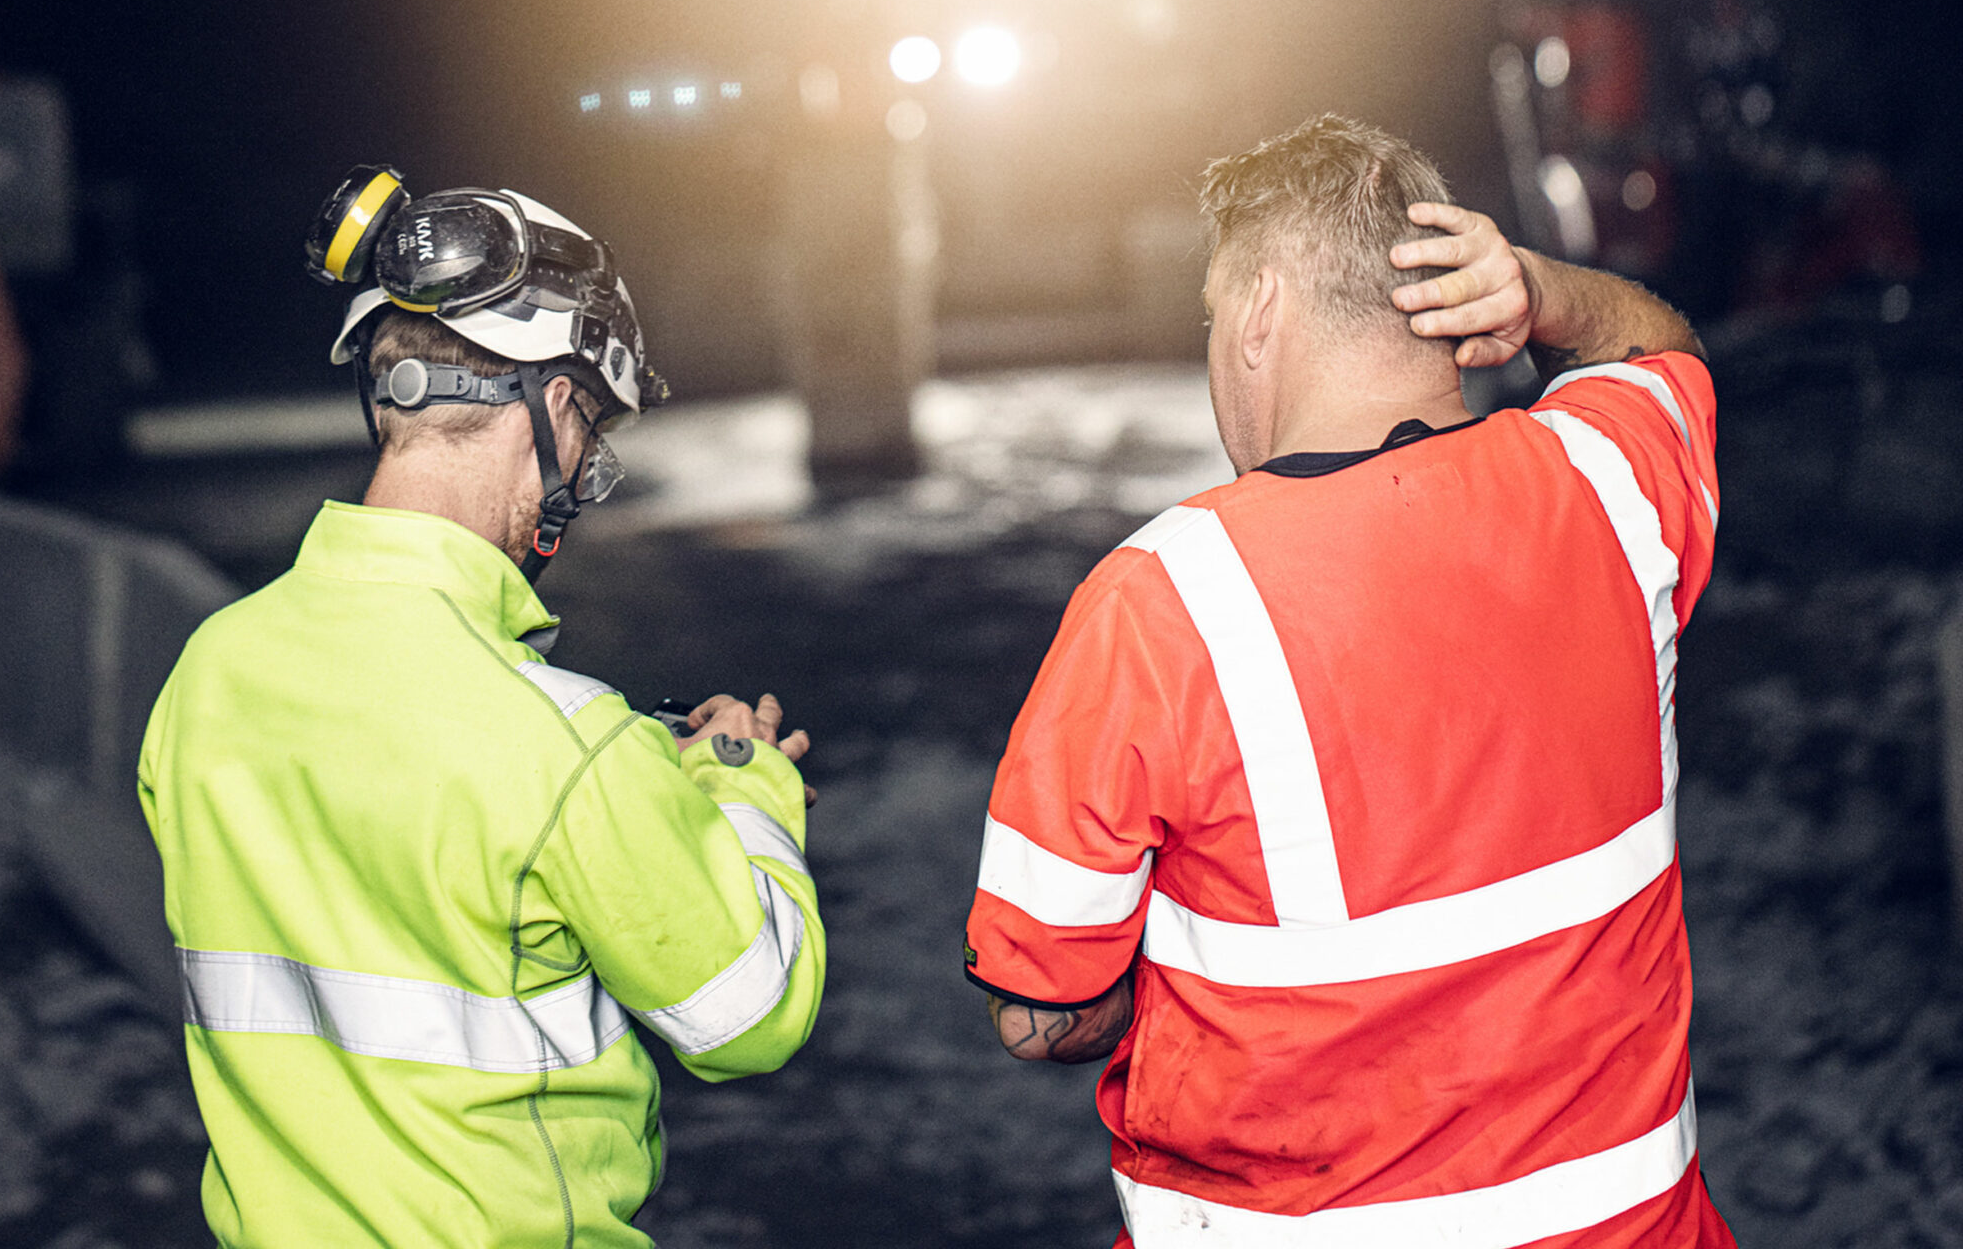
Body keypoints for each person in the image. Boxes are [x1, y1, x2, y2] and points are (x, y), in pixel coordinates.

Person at [963, 115, 1735, 1246]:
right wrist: (1538, 292)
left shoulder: (1158, 600)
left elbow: (1043, 1006)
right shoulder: (1607, 487)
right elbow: (1661, 352)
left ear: (1261, 311)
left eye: (1216, 317)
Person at [139, 169, 825, 1248]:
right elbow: (748, 1012)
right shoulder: (565, 743)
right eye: (589, 440)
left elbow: (373, 868)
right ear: (553, 406)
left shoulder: (206, 675)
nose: (581, 476)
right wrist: (742, 786)